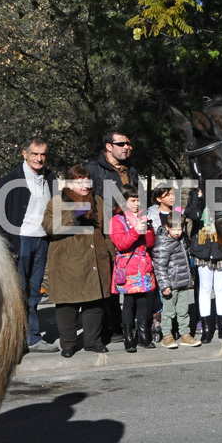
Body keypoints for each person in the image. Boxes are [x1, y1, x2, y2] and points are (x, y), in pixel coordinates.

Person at [0, 137, 59, 352]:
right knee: (18, 292)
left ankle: (31, 337)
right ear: (24, 154)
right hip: (19, 241)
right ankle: (17, 339)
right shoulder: (9, 180)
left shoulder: (51, 179)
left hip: (42, 240)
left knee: (34, 291)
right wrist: (5, 246)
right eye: (34, 154)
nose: (39, 159)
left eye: (43, 155)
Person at [41, 166, 113, 357]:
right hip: (67, 263)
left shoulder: (97, 201)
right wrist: (73, 215)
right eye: (79, 181)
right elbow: (48, 227)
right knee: (67, 306)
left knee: (94, 304)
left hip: (95, 260)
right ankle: (68, 344)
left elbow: (107, 231)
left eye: (86, 180)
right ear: (69, 184)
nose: (84, 185)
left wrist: (110, 255)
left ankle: (93, 341)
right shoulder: (57, 202)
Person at [86, 130, 140, 342]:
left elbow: (138, 199)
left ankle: (131, 325)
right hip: (104, 234)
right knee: (109, 282)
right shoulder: (92, 169)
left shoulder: (131, 170)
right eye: (121, 144)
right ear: (108, 146)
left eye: (129, 143)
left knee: (133, 279)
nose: (127, 147)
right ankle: (112, 327)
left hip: (131, 232)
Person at [110, 184, 158, 352]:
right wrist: (136, 231)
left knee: (144, 302)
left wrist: (149, 231)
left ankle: (144, 335)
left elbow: (150, 244)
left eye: (139, 200)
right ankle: (129, 337)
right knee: (129, 303)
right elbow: (121, 244)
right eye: (133, 200)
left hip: (143, 266)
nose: (137, 204)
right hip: (128, 267)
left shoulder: (143, 217)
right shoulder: (117, 220)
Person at [185, 187, 222, 343]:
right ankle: (206, 328)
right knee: (205, 288)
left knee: (221, 288)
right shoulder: (194, 194)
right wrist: (199, 197)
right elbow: (193, 214)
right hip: (203, 246)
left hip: (221, 246)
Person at [152, 210, 201, 349]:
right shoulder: (163, 243)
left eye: (180, 228)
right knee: (168, 312)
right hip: (170, 284)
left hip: (183, 281)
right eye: (174, 229)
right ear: (167, 227)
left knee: (183, 310)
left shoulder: (182, 240)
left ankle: (185, 334)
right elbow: (160, 267)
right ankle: (167, 335)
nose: (177, 232)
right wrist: (164, 285)